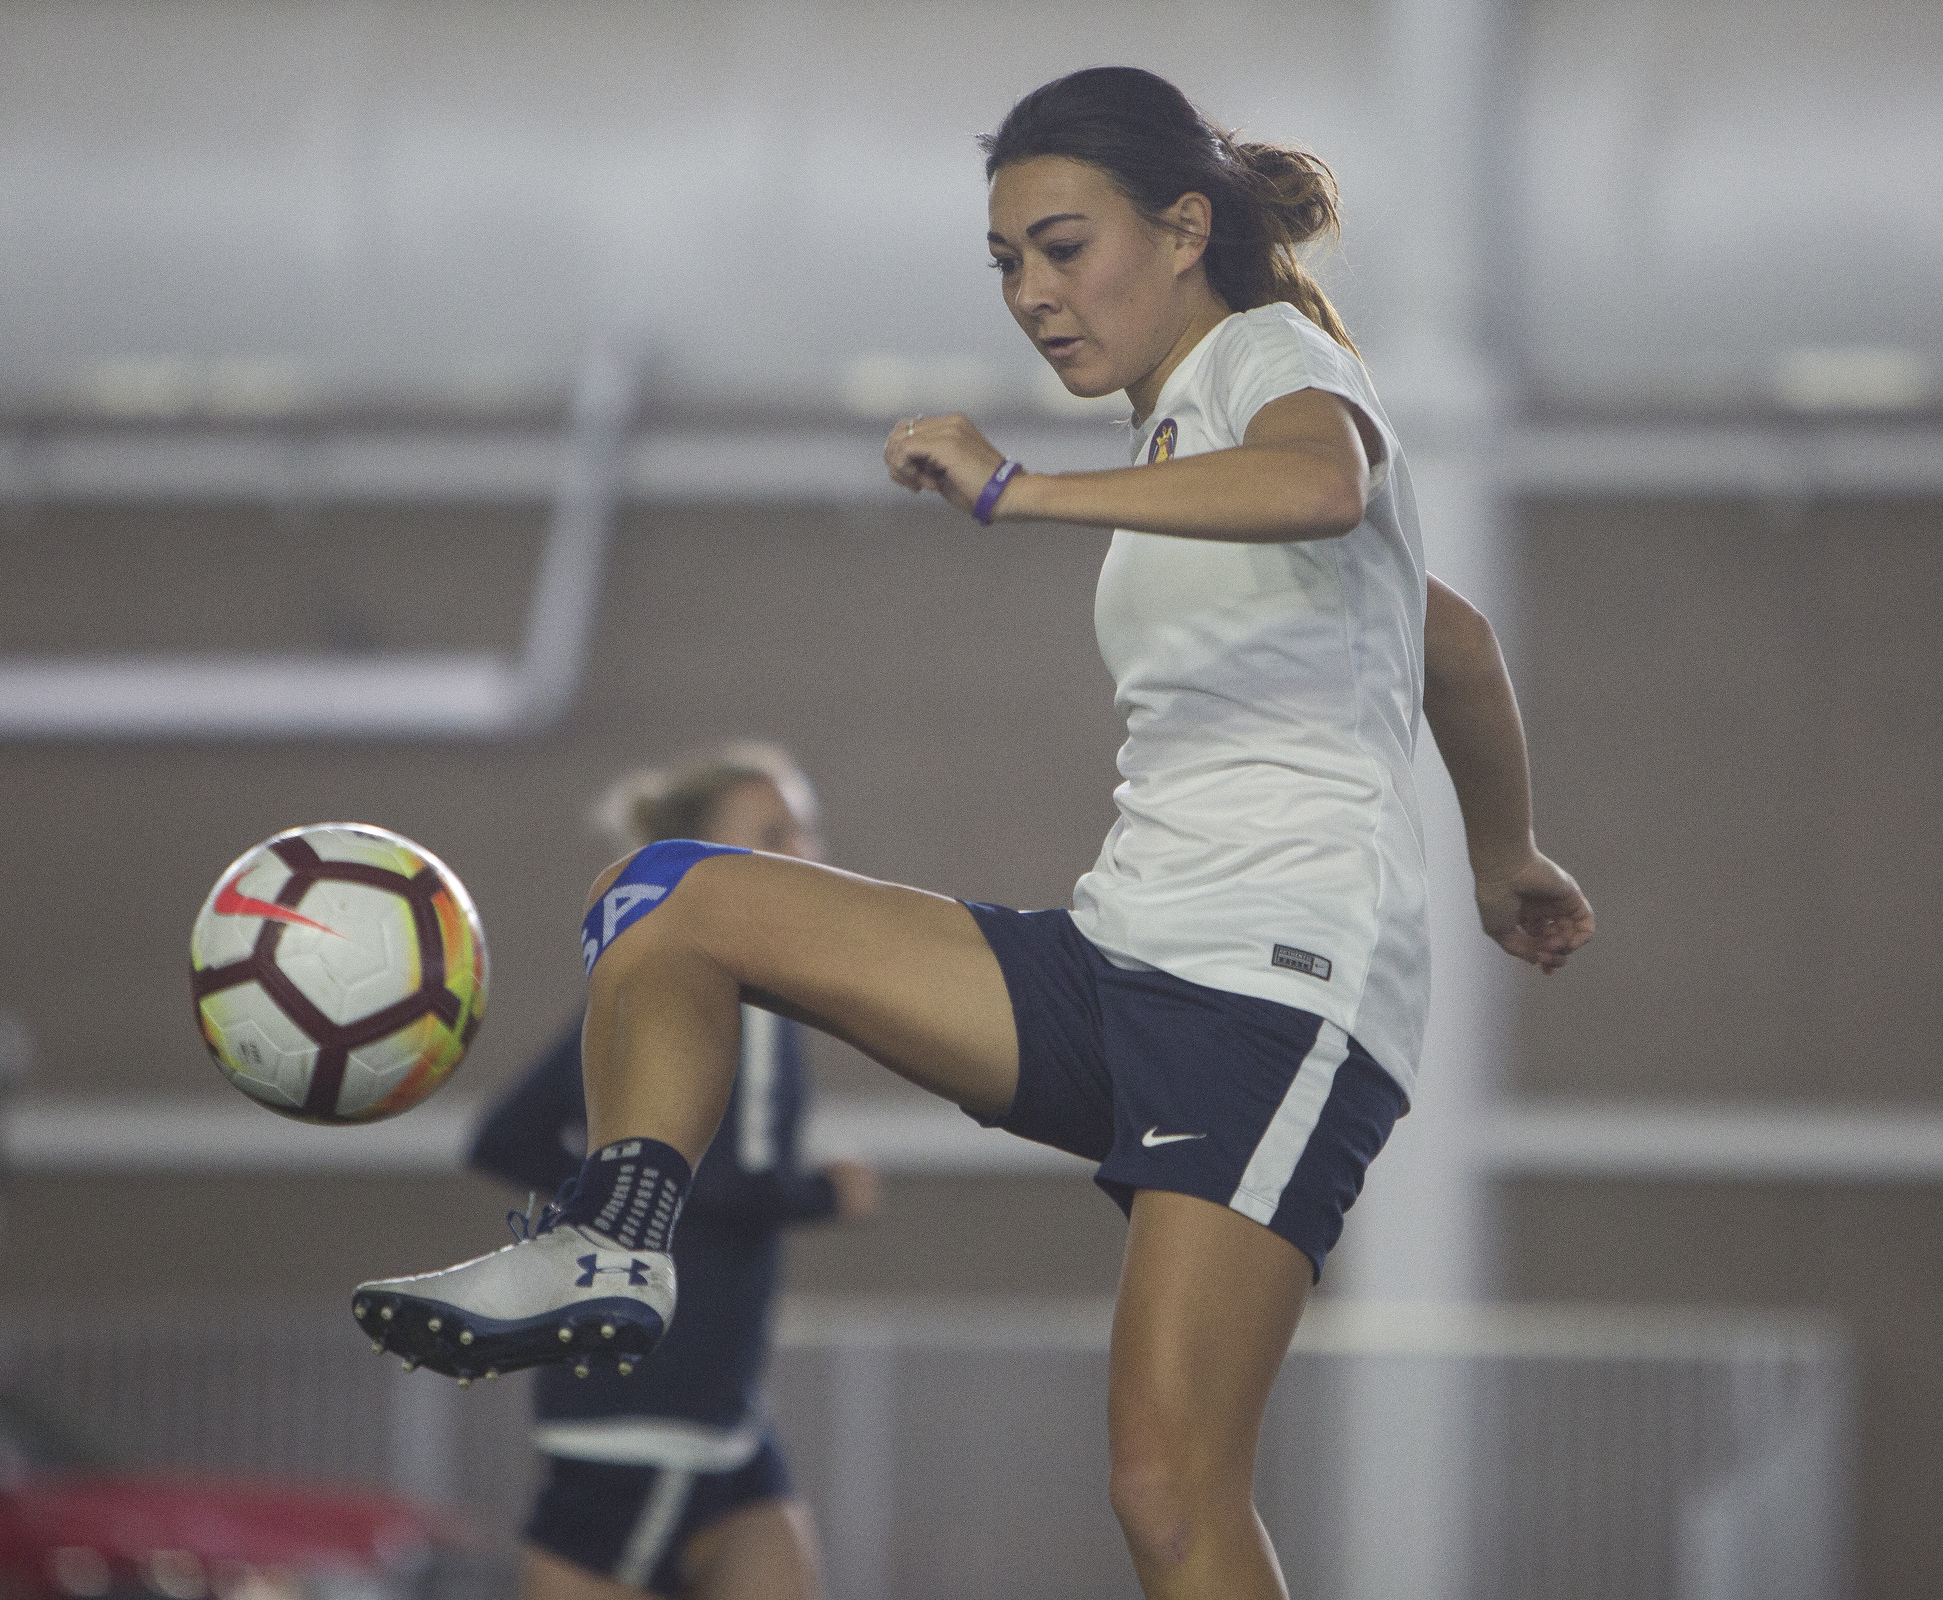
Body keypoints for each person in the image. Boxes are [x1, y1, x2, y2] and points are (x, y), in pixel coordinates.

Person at [356, 66, 1593, 1600]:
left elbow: (1325, 483)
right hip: (1122, 952)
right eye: (1006, 261)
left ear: (1186, 225)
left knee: (1167, 1487)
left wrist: (1019, 488)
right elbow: (1453, 643)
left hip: (1281, 987)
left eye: (1064, 247)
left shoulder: (1266, 360)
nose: (1031, 292)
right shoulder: (1168, 438)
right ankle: (617, 1233)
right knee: (669, 900)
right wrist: (1505, 854)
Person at [467, 744, 880, 1600]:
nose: (805, 851)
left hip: (709, 1416)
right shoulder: (742, 992)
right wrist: (827, 1194)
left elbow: (507, 1138)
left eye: (806, 828)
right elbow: (726, 1184)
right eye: (775, 832)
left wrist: (612, 1196)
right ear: (706, 864)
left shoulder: (650, 983)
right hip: (661, 1408)